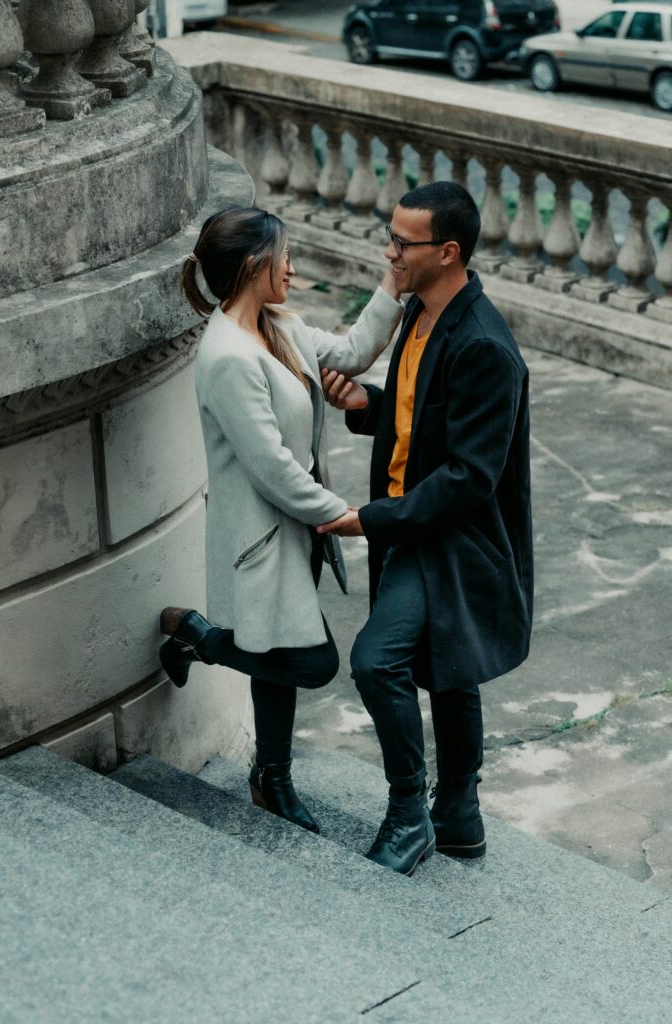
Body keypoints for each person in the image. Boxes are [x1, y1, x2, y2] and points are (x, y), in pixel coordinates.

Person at [158, 205, 404, 834]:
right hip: (261, 538)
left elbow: (349, 351)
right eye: (283, 257)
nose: (292, 267)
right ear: (251, 265)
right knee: (312, 662)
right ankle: (201, 636)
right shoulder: (228, 357)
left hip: (294, 533)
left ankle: (271, 777)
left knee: (276, 650)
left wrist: (393, 286)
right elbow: (270, 467)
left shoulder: (278, 326)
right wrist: (345, 516)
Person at [318, 181, 533, 875]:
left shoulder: (484, 348)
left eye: (401, 243)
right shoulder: (418, 313)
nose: (389, 254)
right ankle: (459, 815)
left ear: (447, 251)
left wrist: (366, 522)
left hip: (448, 541)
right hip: (414, 527)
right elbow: (421, 419)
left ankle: (410, 813)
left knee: (378, 663)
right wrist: (365, 405)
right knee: (448, 673)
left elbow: (470, 478)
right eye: (390, 237)